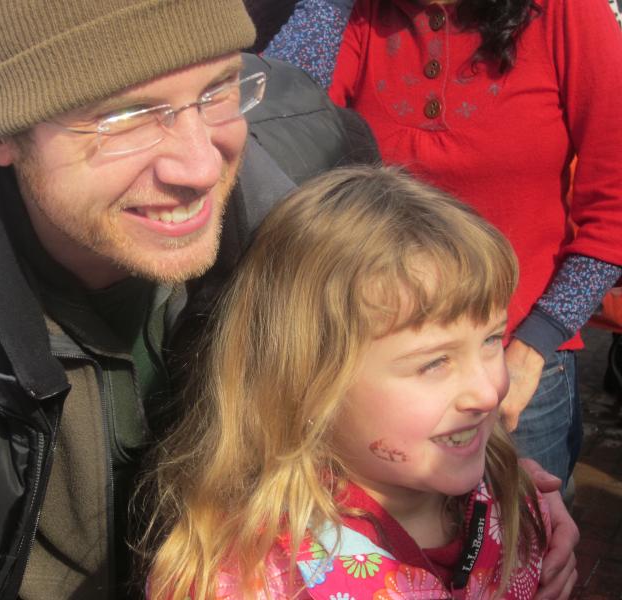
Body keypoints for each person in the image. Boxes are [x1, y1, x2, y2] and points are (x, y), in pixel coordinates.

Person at [0, 1, 576, 599]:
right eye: (125, 114)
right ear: (1, 133)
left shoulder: (313, 174)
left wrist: (501, 491)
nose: (197, 163)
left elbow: (400, 365)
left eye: (218, 88)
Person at [145, 166, 551, 600]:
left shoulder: (509, 493)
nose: (488, 392)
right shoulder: (250, 578)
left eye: (491, 340)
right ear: (310, 381)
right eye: (434, 363)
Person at [265, 0, 622, 491]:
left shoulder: (566, 12)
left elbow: (614, 206)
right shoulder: (363, 13)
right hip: (384, 360)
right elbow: (276, 121)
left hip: (517, 356)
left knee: (520, 545)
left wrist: (535, 345)